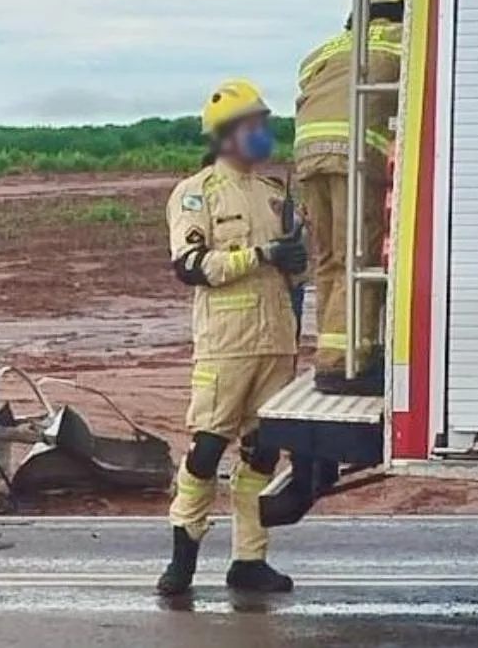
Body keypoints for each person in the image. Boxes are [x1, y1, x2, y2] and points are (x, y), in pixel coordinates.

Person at [157, 79, 307, 596]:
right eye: (253, 125)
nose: (262, 134)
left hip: (277, 342)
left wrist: (295, 262)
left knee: (263, 453)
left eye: (264, 124)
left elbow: (297, 273)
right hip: (226, 344)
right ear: (225, 134)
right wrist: (261, 256)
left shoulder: (274, 194)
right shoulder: (197, 192)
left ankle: (249, 560)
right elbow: (191, 265)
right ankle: (182, 559)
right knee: (206, 449)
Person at [295, 0, 403, 396]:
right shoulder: (399, 41)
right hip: (353, 156)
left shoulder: (323, 51)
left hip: (309, 157)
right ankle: (347, 363)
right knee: (357, 259)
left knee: (328, 259)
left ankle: (330, 351)